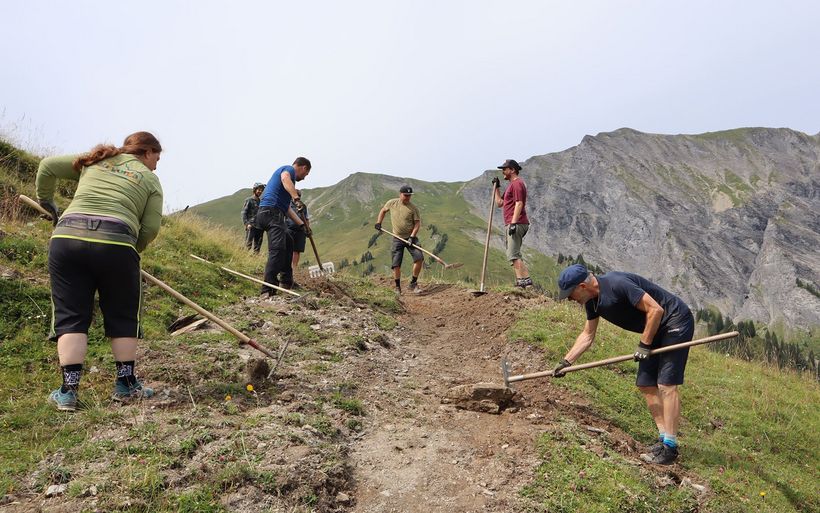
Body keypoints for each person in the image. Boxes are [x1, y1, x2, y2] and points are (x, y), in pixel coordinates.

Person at [35, 131, 164, 411]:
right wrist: (131, 248)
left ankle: (68, 392)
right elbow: (151, 228)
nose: (156, 164)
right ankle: (127, 385)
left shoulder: (94, 161)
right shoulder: (150, 179)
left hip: (67, 239)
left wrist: (48, 203)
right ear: (146, 152)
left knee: (71, 316)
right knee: (122, 314)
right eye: (157, 156)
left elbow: (47, 166)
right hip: (117, 242)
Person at [553, 264, 695, 465]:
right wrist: (566, 361)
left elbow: (656, 309)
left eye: (570, 294)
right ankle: (663, 438)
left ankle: (670, 448)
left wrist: (644, 344)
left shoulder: (616, 284)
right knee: (645, 383)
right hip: (654, 328)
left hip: (675, 321)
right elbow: (587, 334)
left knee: (666, 384)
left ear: (582, 286)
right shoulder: (592, 302)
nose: (569, 299)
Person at [256, 157, 310, 296]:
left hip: (272, 212)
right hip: (271, 212)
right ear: (303, 168)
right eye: (306, 174)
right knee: (278, 250)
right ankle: (268, 289)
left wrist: (302, 225)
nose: (304, 178)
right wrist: (296, 198)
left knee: (289, 242)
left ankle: (286, 282)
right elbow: (285, 178)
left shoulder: (283, 192)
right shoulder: (289, 170)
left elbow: (287, 209)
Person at [375, 185, 423, 294]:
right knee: (396, 264)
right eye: (405, 195)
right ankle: (397, 287)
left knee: (419, 258)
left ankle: (413, 283)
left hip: (411, 238)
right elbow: (383, 210)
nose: (407, 197)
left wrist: (412, 237)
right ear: (400, 194)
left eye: (409, 196)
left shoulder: (413, 208)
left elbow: (417, 223)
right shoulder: (392, 203)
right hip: (397, 238)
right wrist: (378, 222)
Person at [493, 159, 533, 288]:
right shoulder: (511, 185)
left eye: (505, 169)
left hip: (516, 222)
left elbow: (519, 203)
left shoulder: (517, 184)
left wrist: (513, 223)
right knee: (513, 253)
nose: (503, 171)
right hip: (513, 223)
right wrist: (496, 188)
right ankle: (526, 283)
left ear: (512, 170)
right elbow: (500, 203)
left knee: (513, 254)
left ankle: (522, 282)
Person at [286, 189, 312, 269]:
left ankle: (294, 267)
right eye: (296, 195)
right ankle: (287, 266)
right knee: (288, 248)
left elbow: (306, 218)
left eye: (299, 196)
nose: (297, 197)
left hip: (301, 231)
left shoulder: (303, 206)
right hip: (289, 229)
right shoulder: (288, 205)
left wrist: (307, 228)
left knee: (297, 250)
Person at [241, 182, 265, 253]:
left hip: (260, 227)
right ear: (255, 190)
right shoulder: (249, 200)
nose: (260, 191)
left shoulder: (261, 202)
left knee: (257, 247)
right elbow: (244, 213)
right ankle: (245, 259)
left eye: (261, 190)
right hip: (251, 226)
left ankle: (255, 261)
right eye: (259, 189)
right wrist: (246, 223)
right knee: (248, 244)